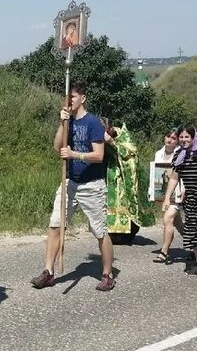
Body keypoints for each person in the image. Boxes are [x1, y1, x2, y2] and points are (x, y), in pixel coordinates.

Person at [31, 81, 115, 292]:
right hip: (70, 181)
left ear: (82, 99)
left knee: (99, 230)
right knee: (55, 224)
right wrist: (62, 124)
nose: (69, 101)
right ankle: (48, 272)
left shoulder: (93, 123)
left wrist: (75, 154)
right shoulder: (68, 122)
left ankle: (107, 274)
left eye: (73, 98)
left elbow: (99, 155)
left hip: (92, 185)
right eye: (66, 98)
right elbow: (57, 147)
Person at [163, 126, 197, 282]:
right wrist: (167, 197)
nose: (184, 140)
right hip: (190, 199)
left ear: (193, 137)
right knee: (194, 232)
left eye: (187, 137)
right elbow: (174, 177)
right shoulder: (179, 154)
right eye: (182, 137)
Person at [103, 121, 143, 244]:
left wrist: (111, 143)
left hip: (124, 180)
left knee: (124, 204)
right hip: (110, 177)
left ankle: (127, 234)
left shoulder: (124, 136)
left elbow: (130, 155)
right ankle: (112, 233)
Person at [153, 129, 182, 264]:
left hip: (178, 193)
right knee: (177, 223)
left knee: (167, 218)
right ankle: (195, 245)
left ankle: (164, 252)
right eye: (168, 136)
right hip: (164, 192)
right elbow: (156, 173)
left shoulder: (180, 154)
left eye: (173, 138)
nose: (170, 139)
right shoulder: (158, 153)